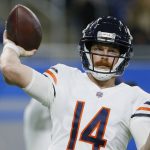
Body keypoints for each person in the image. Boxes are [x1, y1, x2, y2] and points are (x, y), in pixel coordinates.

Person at [0, 16, 150, 150]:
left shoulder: (136, 99)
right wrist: (12, 46)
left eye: (111, 51)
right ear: (86, 50)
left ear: (123, 56)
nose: (104, 56)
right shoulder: (64, 77)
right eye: (98, 49)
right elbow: (10, 69)